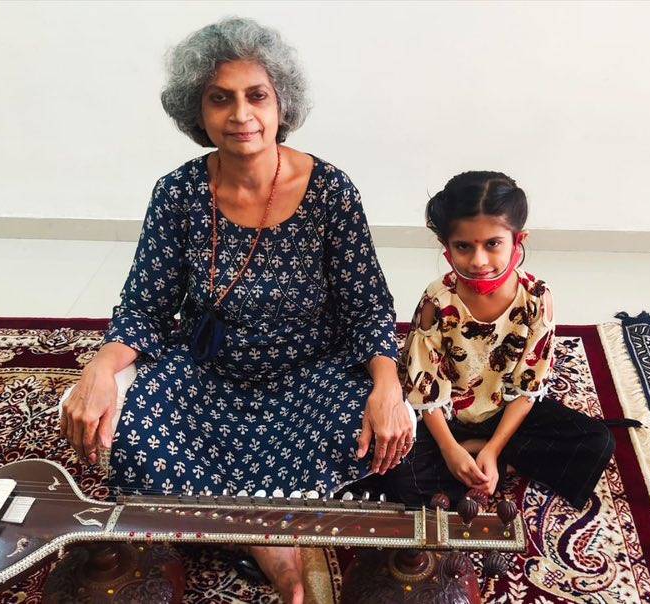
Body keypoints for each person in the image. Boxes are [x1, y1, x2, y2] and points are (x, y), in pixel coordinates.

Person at [59, 17, 413, 604]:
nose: (240, 114)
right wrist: (98, 369)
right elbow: (145, 308)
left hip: (310, 377)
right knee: (116, 423)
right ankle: (271, 537)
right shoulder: (177, 193)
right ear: (196, 111)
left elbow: (368, 306)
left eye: (257, 96)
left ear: (282, 103)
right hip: (208, 375)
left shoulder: (331, 190)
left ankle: (232, 521)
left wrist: (387, 386)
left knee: (377, 421)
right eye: (220, 98)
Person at [388, 171, 616, 510]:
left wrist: (493, 448)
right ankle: (482, 460)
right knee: (396, 470)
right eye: (463, 246)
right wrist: (451, 451)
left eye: (492, 244)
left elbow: (528, 386)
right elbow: (424, 387)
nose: (478, 261)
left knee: (597, 442)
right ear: (446, 247)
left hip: (504, 412)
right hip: (445, 418)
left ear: (518, 240)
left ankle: (486, 456)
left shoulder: (536, 298)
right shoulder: (438, 300)